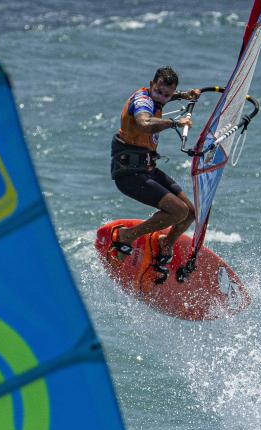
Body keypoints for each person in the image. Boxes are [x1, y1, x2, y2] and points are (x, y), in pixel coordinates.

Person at [109, 66, 200, 280]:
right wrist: (175, 122)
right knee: (178, 212)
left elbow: (163, 98)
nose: (162, 97)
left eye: (167, 94)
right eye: (159, 91)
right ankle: (124, 237)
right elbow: (144, 122)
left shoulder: (158, 98)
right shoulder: (142, 101)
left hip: (148, 169)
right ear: (151, 85)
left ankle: (165, 244)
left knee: (191, 213)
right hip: (129, 174)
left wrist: (182, 96)